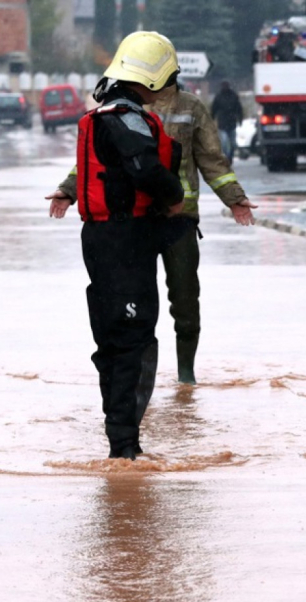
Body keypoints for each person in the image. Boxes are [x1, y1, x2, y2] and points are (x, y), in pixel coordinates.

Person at [49, 60, 257, 386]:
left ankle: (185, 376)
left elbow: (212, 158)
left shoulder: (191, 107)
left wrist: (234, 197)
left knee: (185, 301)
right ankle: (136, 380)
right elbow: (96, 162)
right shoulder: (120, 109)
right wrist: (67, 190)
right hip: (136, 220)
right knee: (135, 306)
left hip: (180, 219)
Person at [44, 31, 185, 460]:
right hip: (123, 242)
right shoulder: (125, 118)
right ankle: (124, 449)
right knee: (129, 340)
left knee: (115, 339)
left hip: (107, 240)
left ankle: (122, 442)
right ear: (150, 79)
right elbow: (144, 168)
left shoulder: (106, 114)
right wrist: (174, 195)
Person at [211, 81, 243, 164]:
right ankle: (226, 157)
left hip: (232, 123)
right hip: (222, 123)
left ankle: (230, 156)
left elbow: (239, 108)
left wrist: (240, 119)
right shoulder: (219, 96)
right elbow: (214, 109)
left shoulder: (233, 96)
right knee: (224, 143)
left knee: (233, 143)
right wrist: (211, 119)